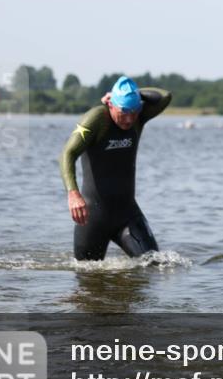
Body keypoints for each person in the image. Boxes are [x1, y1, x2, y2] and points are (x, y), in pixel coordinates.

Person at [59, 76, 172, 260]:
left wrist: (134, 94)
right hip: (93, 218)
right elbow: (67, 154)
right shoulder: (96, 119)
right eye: (124, 111)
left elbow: (165, 96)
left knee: (154, 265)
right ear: (111, 104)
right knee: (89, 278)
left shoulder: (139, 117)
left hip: (127, 214)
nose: (128, 119)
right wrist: (73, 193)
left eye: (134, 112)